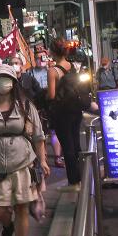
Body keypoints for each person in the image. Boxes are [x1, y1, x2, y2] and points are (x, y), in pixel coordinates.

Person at [0, 65, 50, 236]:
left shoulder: (25, 106)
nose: (3, 81)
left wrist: (43, 160)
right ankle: (7, 227)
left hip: (22, 163)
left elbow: (38, 137)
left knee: (21, 207)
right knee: (0, 210)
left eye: (6, 77)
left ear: (13, 82)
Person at [47, 39, 90, 188]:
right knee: (76, 143)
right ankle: (83, 174)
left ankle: (74, 180)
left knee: (67, 146)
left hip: (61, 112)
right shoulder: (73, 66)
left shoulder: (53, 71)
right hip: (76, 109)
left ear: (52, 52)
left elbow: (52, 95)